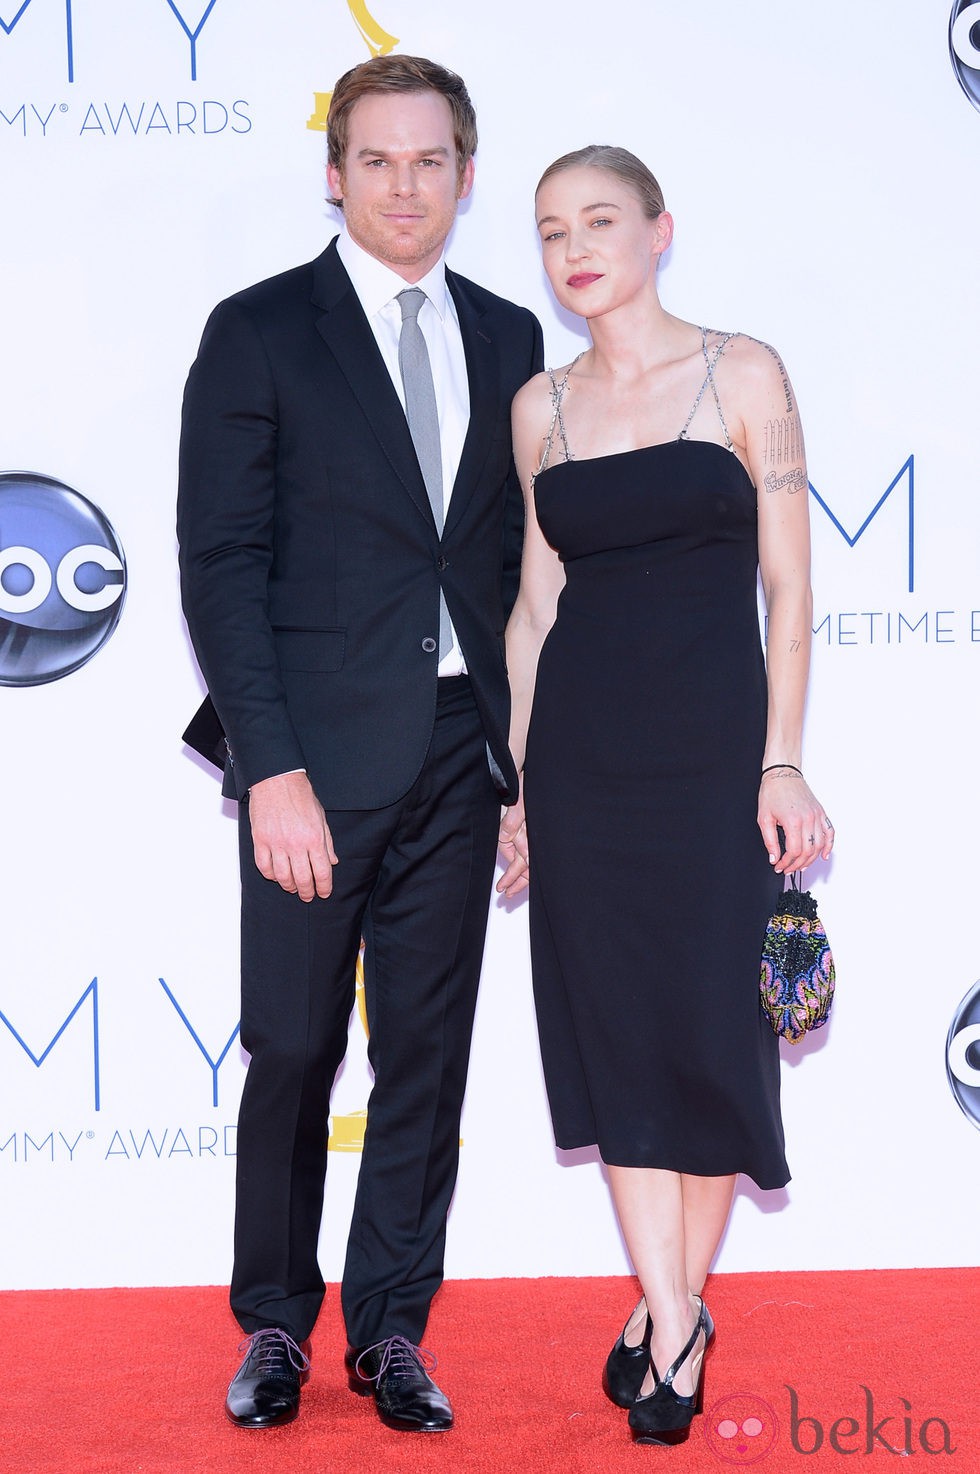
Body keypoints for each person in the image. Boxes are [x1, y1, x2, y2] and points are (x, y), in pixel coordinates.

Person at [177, 54, 542, 1434]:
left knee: (428, 1053)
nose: (405, 185)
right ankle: (275, 1320)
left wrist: (520, 770)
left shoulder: (509, 338)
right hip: (311, 761)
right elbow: (220, 562)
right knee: (290, 1047)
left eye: (430, 159)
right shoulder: (259, 329)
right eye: (377, 160)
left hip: (461, 747)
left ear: (464, 172)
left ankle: (391, 1328)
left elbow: (509, 569)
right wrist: (268, 767)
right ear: (334, 172)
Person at [497, 145, 834, 1447]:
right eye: (548, 231)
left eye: (598, 221)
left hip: (711, 761)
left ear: (659, 231)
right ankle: (676, 1314)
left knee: (711, 1042)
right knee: (617, 1040)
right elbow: (534, 608)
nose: (574, 247)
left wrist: (784, 756)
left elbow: (791, 589)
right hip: (582, 762)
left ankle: (664, 1298)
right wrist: (518, 783)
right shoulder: (541, 407)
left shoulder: (743, 373)